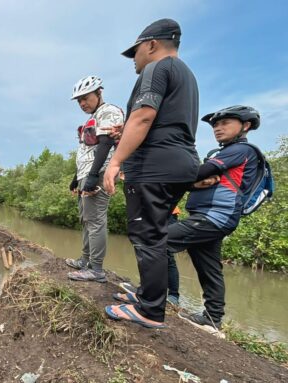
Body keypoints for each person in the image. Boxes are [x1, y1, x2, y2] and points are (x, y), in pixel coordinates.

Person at [102, 18, 200, 328]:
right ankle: (148, 294)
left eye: (136, 53)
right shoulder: (186, 75)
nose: (135, 60)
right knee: (153, 231)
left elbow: (144, 117)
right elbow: (158, 122)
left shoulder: (156, 69)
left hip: (154, 166)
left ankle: (150, 311)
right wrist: (126, 130)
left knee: (147, 235)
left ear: (152, 45)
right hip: (179, 161)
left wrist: (115, 161)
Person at [168, 105, 262, 330]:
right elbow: (198, 180)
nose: (218, 128)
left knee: (156, 240)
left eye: (225, 123)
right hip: (211, 216)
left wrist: (183, 179)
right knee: (209, 268)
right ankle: (213, 318)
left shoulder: (241, 150)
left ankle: (150, 295)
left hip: (214, 217)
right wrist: (195, 182)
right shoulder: (226, 152)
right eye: (215, 125)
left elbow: (198, 173)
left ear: (245, 126)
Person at [65, 76, 124, 283]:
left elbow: (106, 144)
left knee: (96, 220)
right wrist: (76, 178)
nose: (82, 104)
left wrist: (92, 176)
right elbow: (86, 151)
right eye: (78, 100)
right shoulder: (92, 117)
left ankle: (96, 269)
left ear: (99, 93)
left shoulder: (109, 111)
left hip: (99, 173)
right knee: (86, 219)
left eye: (85, 98)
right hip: (86, 173)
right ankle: (85, 260)